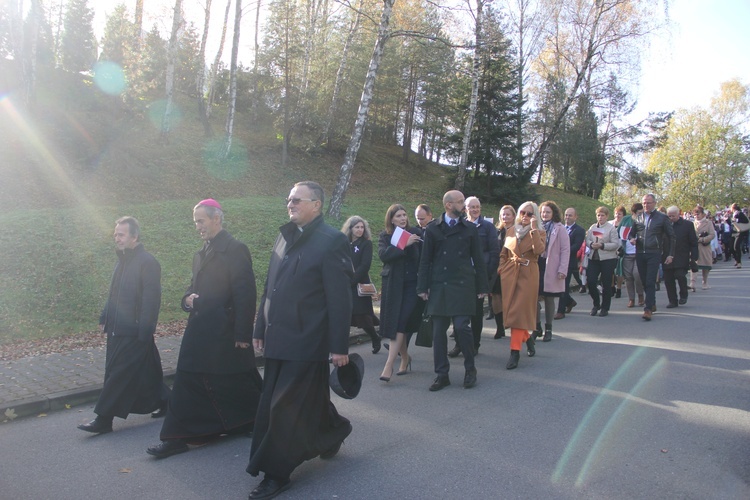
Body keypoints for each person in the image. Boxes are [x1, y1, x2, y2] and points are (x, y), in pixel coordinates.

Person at [246, 182, 354, 499]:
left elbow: (340, 299)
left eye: (297, 199)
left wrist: (339, 347)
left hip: (308, 341)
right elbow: (271, 288)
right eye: (288, 199)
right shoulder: (285, 236)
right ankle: (333, 431)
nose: (290, 204)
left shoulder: (332, 241)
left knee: (283, 408)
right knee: (302, 401)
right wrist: (258, 328)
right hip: (279, 336)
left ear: (317, 205)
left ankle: (276, 474)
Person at [147, 199, 263, 458]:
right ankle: (176, 437)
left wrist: (243, 334)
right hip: (199, 329)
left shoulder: (235, 249)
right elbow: (192, 288)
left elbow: (245, 294)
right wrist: (186, 300)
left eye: (201, 221)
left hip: (224, 330)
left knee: (238, 379)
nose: (197, 226)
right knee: (188, 379)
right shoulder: (200, 253)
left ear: (216, 219)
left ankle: (254, 420)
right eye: (195, 222)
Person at [78, 217, 166, 434]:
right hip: (116, 329)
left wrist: (145, 330)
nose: (116, 238)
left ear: (134, 236)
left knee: (118, 374)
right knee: (146, 372)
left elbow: (151, 300)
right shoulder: (122, 261)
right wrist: (104, 316)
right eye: (115, 234)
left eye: (121, 234)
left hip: (134, 331)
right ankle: (167, 401)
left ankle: (103, 419)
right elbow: (114, 294)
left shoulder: (148, 262)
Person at [418, 190, 489, 390]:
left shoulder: (469, 229)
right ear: (448, 205)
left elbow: (478, 259)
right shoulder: (433, 229)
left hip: (462, 284)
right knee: (439, 332)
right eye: (460, 202)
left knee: (461, 328)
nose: (463, 206)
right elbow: (425, 261)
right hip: (440, 285)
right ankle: (442, 374)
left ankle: (470, 369)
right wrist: (422, 287)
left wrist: (483, 286)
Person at [448, 196, 498, 357]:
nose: (475, 209)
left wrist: (487, 273)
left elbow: (494, 252)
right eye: (472, 207)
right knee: (458, 310)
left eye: (477, 206)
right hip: (461, 276)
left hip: (478, 276)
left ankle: (475, 344)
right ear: (465, 209)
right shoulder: (461, 225)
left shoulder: (488, 227)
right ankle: (459, 345)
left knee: (476, 312)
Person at [378, 204, 423, 381]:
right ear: (391, 219)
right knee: (398, 324)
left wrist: (413, 243)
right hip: (393, 284)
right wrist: (404, 244)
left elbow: (420, 259)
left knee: (401, 321)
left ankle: (388, 366)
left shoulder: (415, 232)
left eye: (404, 215)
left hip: (412, 284)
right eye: (398, 216)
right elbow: (384, 255)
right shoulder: (385, 235)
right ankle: (404, 358)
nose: (403, 218)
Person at [498, 201, 545, 370]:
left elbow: (539, 251)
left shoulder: (540, 232)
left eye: (530, 214)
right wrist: (501, 268)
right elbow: (503, 253)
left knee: (518, 313)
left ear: (535, 216)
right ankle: (528, 339)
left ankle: (514, 352)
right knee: (511, 312)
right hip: (510, 273)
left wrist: (533, 231)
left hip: (528, 274)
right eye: (523, 212)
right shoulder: (511, 230)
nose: (525, 216)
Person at [629, 193, 676, 321]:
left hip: (654, 252)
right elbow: (631, 234)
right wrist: (632, 239)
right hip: (640, 252)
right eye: (644, 203)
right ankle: (652, 302)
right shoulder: (638, 218)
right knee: (643, 280)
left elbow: (671, 236)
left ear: (654, 203)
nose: (646, 205)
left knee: (650, 280)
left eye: (648, 203)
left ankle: (648, 309)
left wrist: (670, 254)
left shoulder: (662, 218)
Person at [341, 216, 381, 354]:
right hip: (344, 284)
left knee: (363, 317)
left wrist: (352, 281)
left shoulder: (366, 244)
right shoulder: (344, 243)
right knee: (343, 317)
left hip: (358, 285)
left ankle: (375, 337)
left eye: (362, 227)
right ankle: (341, 350)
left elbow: (365, 265)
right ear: (350, 228)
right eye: (357, 227)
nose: (360, 230)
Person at [535, 201, 569, 342]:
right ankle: (537, 327)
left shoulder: (559, 229)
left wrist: (562, 270)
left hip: (551, 266)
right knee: (534, 298)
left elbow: (565, 250)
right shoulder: (536, 226)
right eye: (542, 212)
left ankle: (548, 328)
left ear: (553, 213)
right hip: (537, 265)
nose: (545, 214)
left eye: (548, 212)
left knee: (549, 298)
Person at [584, 207, 620, 317]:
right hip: (594, 258)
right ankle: (596, 304)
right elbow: (588, 239)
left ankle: (605, 307)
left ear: (607, 216)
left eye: (602, 215)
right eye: (598, 215)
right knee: (590, 281)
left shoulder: (611, 228)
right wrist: (591, 244)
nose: (600, 217)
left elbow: (615, 244)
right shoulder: (593, 227)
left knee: (606, 283)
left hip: (607, 259)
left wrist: (602, 245)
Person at [663, 206, 698, 308]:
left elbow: (693, 242)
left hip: (681, 255)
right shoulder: (664, 226)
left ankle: (683, 294)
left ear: (679, 214)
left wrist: (694, 256)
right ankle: (672, 301)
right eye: (669, 216)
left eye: (673, 216)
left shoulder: (687, 225)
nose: (671, 218)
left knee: (680, 276)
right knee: (668, 280)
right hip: (666, 256)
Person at [555, 207, 586, 319]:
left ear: (575, 217)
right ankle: (570, 301)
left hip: (568, 261)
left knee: (564, 286)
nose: (567, 217)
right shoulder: (559, 228)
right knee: (557, 285)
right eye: (566, 215)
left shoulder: (579, 230)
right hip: (556, 261)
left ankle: (560, 311)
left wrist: (562, 250)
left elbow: (576, 246)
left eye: (570, 215)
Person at [492, 205, 516, 339]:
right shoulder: (497, 231)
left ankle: (515, 327)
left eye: (508, 214)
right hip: (497, 268)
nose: (505, 217)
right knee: (496, 296)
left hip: (512, 268)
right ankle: (499, 327)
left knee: (511, 298)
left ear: (513, 216)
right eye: (503, 214)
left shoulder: (517, 231)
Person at [619, 203, 645, 308]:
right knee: (628, 277)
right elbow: (618, 233)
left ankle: (640, 295)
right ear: (633, 213)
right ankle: (631, 299)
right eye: (639, 213)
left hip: (638, 253)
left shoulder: (643, 221)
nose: (641, 215)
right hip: (627, 253)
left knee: (637, 275)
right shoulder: (626, 220)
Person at [692, 205, 716, 290]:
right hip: (694, 247)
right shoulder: (692, 223)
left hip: (704, 247)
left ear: (703, 214)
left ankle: (705, 282)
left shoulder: (708, 223)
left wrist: (703, 239)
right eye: (695, 214)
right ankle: (692, 283)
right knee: (693, 265)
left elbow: (712, 234)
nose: (696, 216)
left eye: (698, 214)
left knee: (705, 266)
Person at [611, 205, 627, 298]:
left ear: (623, 215)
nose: (617, 215)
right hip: (611, 249)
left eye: (620, 214)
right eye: (616, 213)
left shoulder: (625, 225)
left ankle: (619, 288)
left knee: (619, 270)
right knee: (611, 270)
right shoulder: (610, 224)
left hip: (621, 249)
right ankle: (612, 286)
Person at [730, 203, 749, 268]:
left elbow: (746, 221)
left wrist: (737, 220)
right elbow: (732, 223)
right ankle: (736, 259)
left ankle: (739, 262)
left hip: (740, 232)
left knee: (736, 246)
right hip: (733, 232)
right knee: (731, 247)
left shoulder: (739, 213)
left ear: (733, 208)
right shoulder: (733, 214)